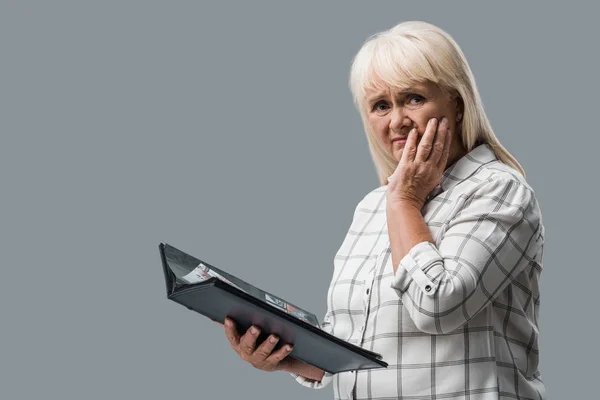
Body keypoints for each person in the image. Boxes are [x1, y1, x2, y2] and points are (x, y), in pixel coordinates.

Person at [223, 20, 546, 400]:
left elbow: (437, 307)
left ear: (457, 104)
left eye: (413, 98)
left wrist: (404, 201)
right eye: (380, 106)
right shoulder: (373, 206)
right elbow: (355, 348)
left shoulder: (499, 190)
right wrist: (285, 356)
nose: (397, 121)